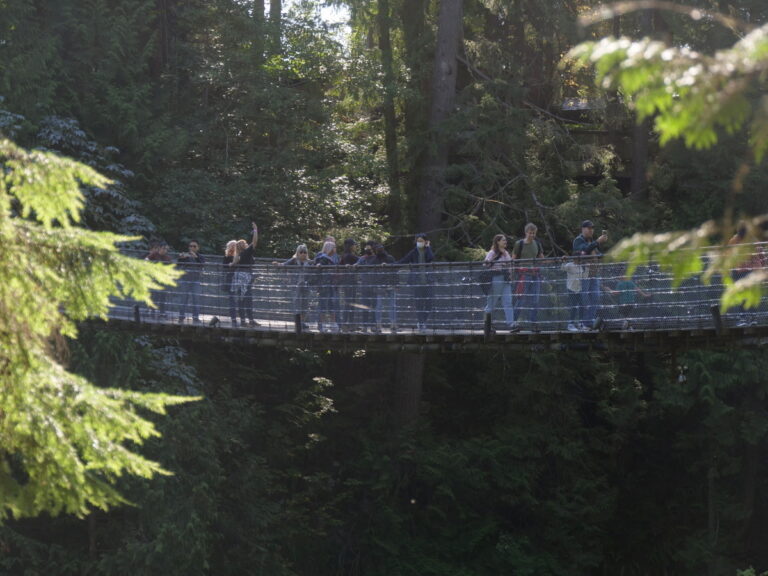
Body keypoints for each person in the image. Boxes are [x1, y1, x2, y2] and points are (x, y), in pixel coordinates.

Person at [572, 220, 608, 330]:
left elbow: (597, 253)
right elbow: (585, 251)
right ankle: (583, 322)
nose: (591, 230)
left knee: (596, 296)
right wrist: (597, 241)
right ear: (583, 229)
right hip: (584, 272)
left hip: (593, 272)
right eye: (588, 228)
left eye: (592, 228)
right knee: (584, 297)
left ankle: (588, 321)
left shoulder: (591, 240)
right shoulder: (578, 240)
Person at [397, 233, 435, 330]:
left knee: (428, 304)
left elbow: (431, 258)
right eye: (418, 241)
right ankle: (421, 323)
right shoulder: (413, 252)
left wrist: (428, 247)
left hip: (427, 281)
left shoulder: (427, 250)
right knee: (418, 303)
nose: (419, 243)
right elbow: (403, 261)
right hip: (417, 282)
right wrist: (391, 265)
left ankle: (423, 321)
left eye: (421, 241)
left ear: (425, 241)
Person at [511, 222, 544, 329]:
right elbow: (513, 259)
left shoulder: (537, 244)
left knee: (535, 300)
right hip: (523, 275)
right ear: (526, 233)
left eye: (534, 233)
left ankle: (533, 323)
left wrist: (541, 267)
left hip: (535, 275)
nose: (532, 235)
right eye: (530, 233)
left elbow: (541, 258)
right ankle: (513, 323)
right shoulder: (519, 244)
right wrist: (512, 273)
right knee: (521, 299)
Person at [482, 234, 516, 331]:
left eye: (505, 240)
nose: (505, 242)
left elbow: (510, 264)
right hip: (496, 278)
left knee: (508, 302)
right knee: (491, 303)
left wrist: (511, 275)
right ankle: (487, 325)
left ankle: (511, 324)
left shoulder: (506, 253)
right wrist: (494, 262)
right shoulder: (492, 252)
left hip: (506, 280)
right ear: (498, 242)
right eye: (503, 240)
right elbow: (485, 264)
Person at [230, 222, 259, 327]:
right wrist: (255, 230)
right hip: (245, 277)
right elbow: (255, 241)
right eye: (243, 243)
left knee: (244, 299)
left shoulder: (240, 254)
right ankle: (246, 321)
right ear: (241, 246)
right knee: (246, 299)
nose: (245, 243)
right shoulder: (246, 252)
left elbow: (233, 263)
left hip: (242, 277)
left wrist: (230, 264)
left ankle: (247, 320)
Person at [280, 244, 313, 329]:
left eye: (305, 252)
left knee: (305, 304)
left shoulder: (309, 262)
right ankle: (298, 323)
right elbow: (284, 264)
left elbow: (315, 272)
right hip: (296, 286)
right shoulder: (294, 260)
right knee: (297, 304)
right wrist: (279, 264)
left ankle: (302, 322)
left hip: (306, 286)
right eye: (301, 252)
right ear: (298, 253)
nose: (303, 254)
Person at [176, 240, 206, 324]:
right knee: (183, 299)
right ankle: (181, 317)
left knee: (196, 299)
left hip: (195, 281)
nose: (192, 248)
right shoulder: (185, 256)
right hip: (185, 280)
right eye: (190, 246)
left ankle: (195, 317)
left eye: (194, 246)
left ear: (198, 247)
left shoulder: (200, 257)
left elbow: (202, 265)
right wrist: (180, 259)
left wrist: (195, 257)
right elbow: (178, 266)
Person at [314, 240, 339, 332]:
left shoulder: (333, 258)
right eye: (334, 247)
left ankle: (332, 323)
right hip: (323, 285)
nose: (335, 249)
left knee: (332, 303)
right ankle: (323, 324)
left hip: (331, 284)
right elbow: (318, 266)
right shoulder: (322, 257)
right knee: (323, 304)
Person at [145, 241, 172, 320]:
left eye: (166, 249)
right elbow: (146, 259)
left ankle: (162, 312)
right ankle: (152, 312)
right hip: (154, 279)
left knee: (163, 296)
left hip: (163, 280)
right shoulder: (154, 254)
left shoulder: (167, 258)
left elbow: (171, 267)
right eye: (164, 248)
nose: (165, 250)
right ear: (160, 248)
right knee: (154, 296)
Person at [374, 243, 398, 333]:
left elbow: (395, 270)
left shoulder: (389, 258)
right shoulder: (376, 259)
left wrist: (396, 284)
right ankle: (380, 324)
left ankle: (392, 323)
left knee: (390, 305)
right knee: (381, 305)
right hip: (381, 285)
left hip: (388, 284)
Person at [339, 238, 359, 330]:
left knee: (350, 302)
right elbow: (360, 261)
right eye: (354, 244)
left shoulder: (346, 255)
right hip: (349, 282)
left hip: (350, 282)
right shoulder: (348, 256)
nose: (355, 246)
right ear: (350, 246)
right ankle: (346, 324)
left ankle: (349, 323)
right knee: (349, 303)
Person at [562, 256, 587, 331]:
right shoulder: (569, 265)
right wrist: (563, 261)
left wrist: (587, 267)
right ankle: (570, 324)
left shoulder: (581, 266)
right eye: (578, 258)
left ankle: (580, 324)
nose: (579, 260)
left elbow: (584, 277)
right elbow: (563, 269)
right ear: (574, 259)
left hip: (579, 289)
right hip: (571, 288)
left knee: (582, 306)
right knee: (574, 306)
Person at [222, 240, 239, 325]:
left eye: (234, 245)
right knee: (232, 299)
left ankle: (242, 319)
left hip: (239, 280)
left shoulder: (240, 256)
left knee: (241, 299)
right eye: (231, 246)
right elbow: (224, 266)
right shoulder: (226, 257)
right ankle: (233, 319)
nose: (233, 247)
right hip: (230, 280)